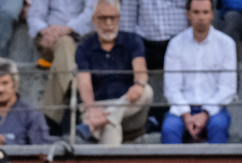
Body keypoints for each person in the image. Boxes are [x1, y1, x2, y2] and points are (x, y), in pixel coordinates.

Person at [76, 0, 154, 145]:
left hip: (130, 106)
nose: (108, 23)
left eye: (113, 17)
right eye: (103, 18)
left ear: (119, 18)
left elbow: (140, 69)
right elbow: (84, 83)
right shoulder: (84, 48)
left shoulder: (133, 40)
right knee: (111, 127)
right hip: (98, 106)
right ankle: (108, 120)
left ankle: (97, 122)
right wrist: (92, 109)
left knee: (147, 91)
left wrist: (139, 84)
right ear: (94, 20)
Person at [162, 0, 237, 144]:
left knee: (218, 126)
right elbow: (171, 87)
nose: (201, 17)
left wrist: (205, 113)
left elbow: (228, 88)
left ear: (212, 15)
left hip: (215, 109)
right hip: (181, 109)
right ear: (188, 14)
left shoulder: (226, 44)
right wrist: (186, 115)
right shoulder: (176, 44)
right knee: (169, 129)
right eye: (196, 12)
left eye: (205, 12)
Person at [27, 0, 96, 127]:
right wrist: (46, 31)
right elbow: (35, 16)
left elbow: (91, 12)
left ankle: (47, 118)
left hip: (81, 37)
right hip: (48, 39)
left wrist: (67, 29)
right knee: (64, 43)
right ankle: (76, 90)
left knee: (65, 43)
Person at [120, 0, 188, 125]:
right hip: (145, 40)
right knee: (127, 56)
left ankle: (182, 113)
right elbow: (127, 22)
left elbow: (195, 10)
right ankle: (146, 117)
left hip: (179, 39)